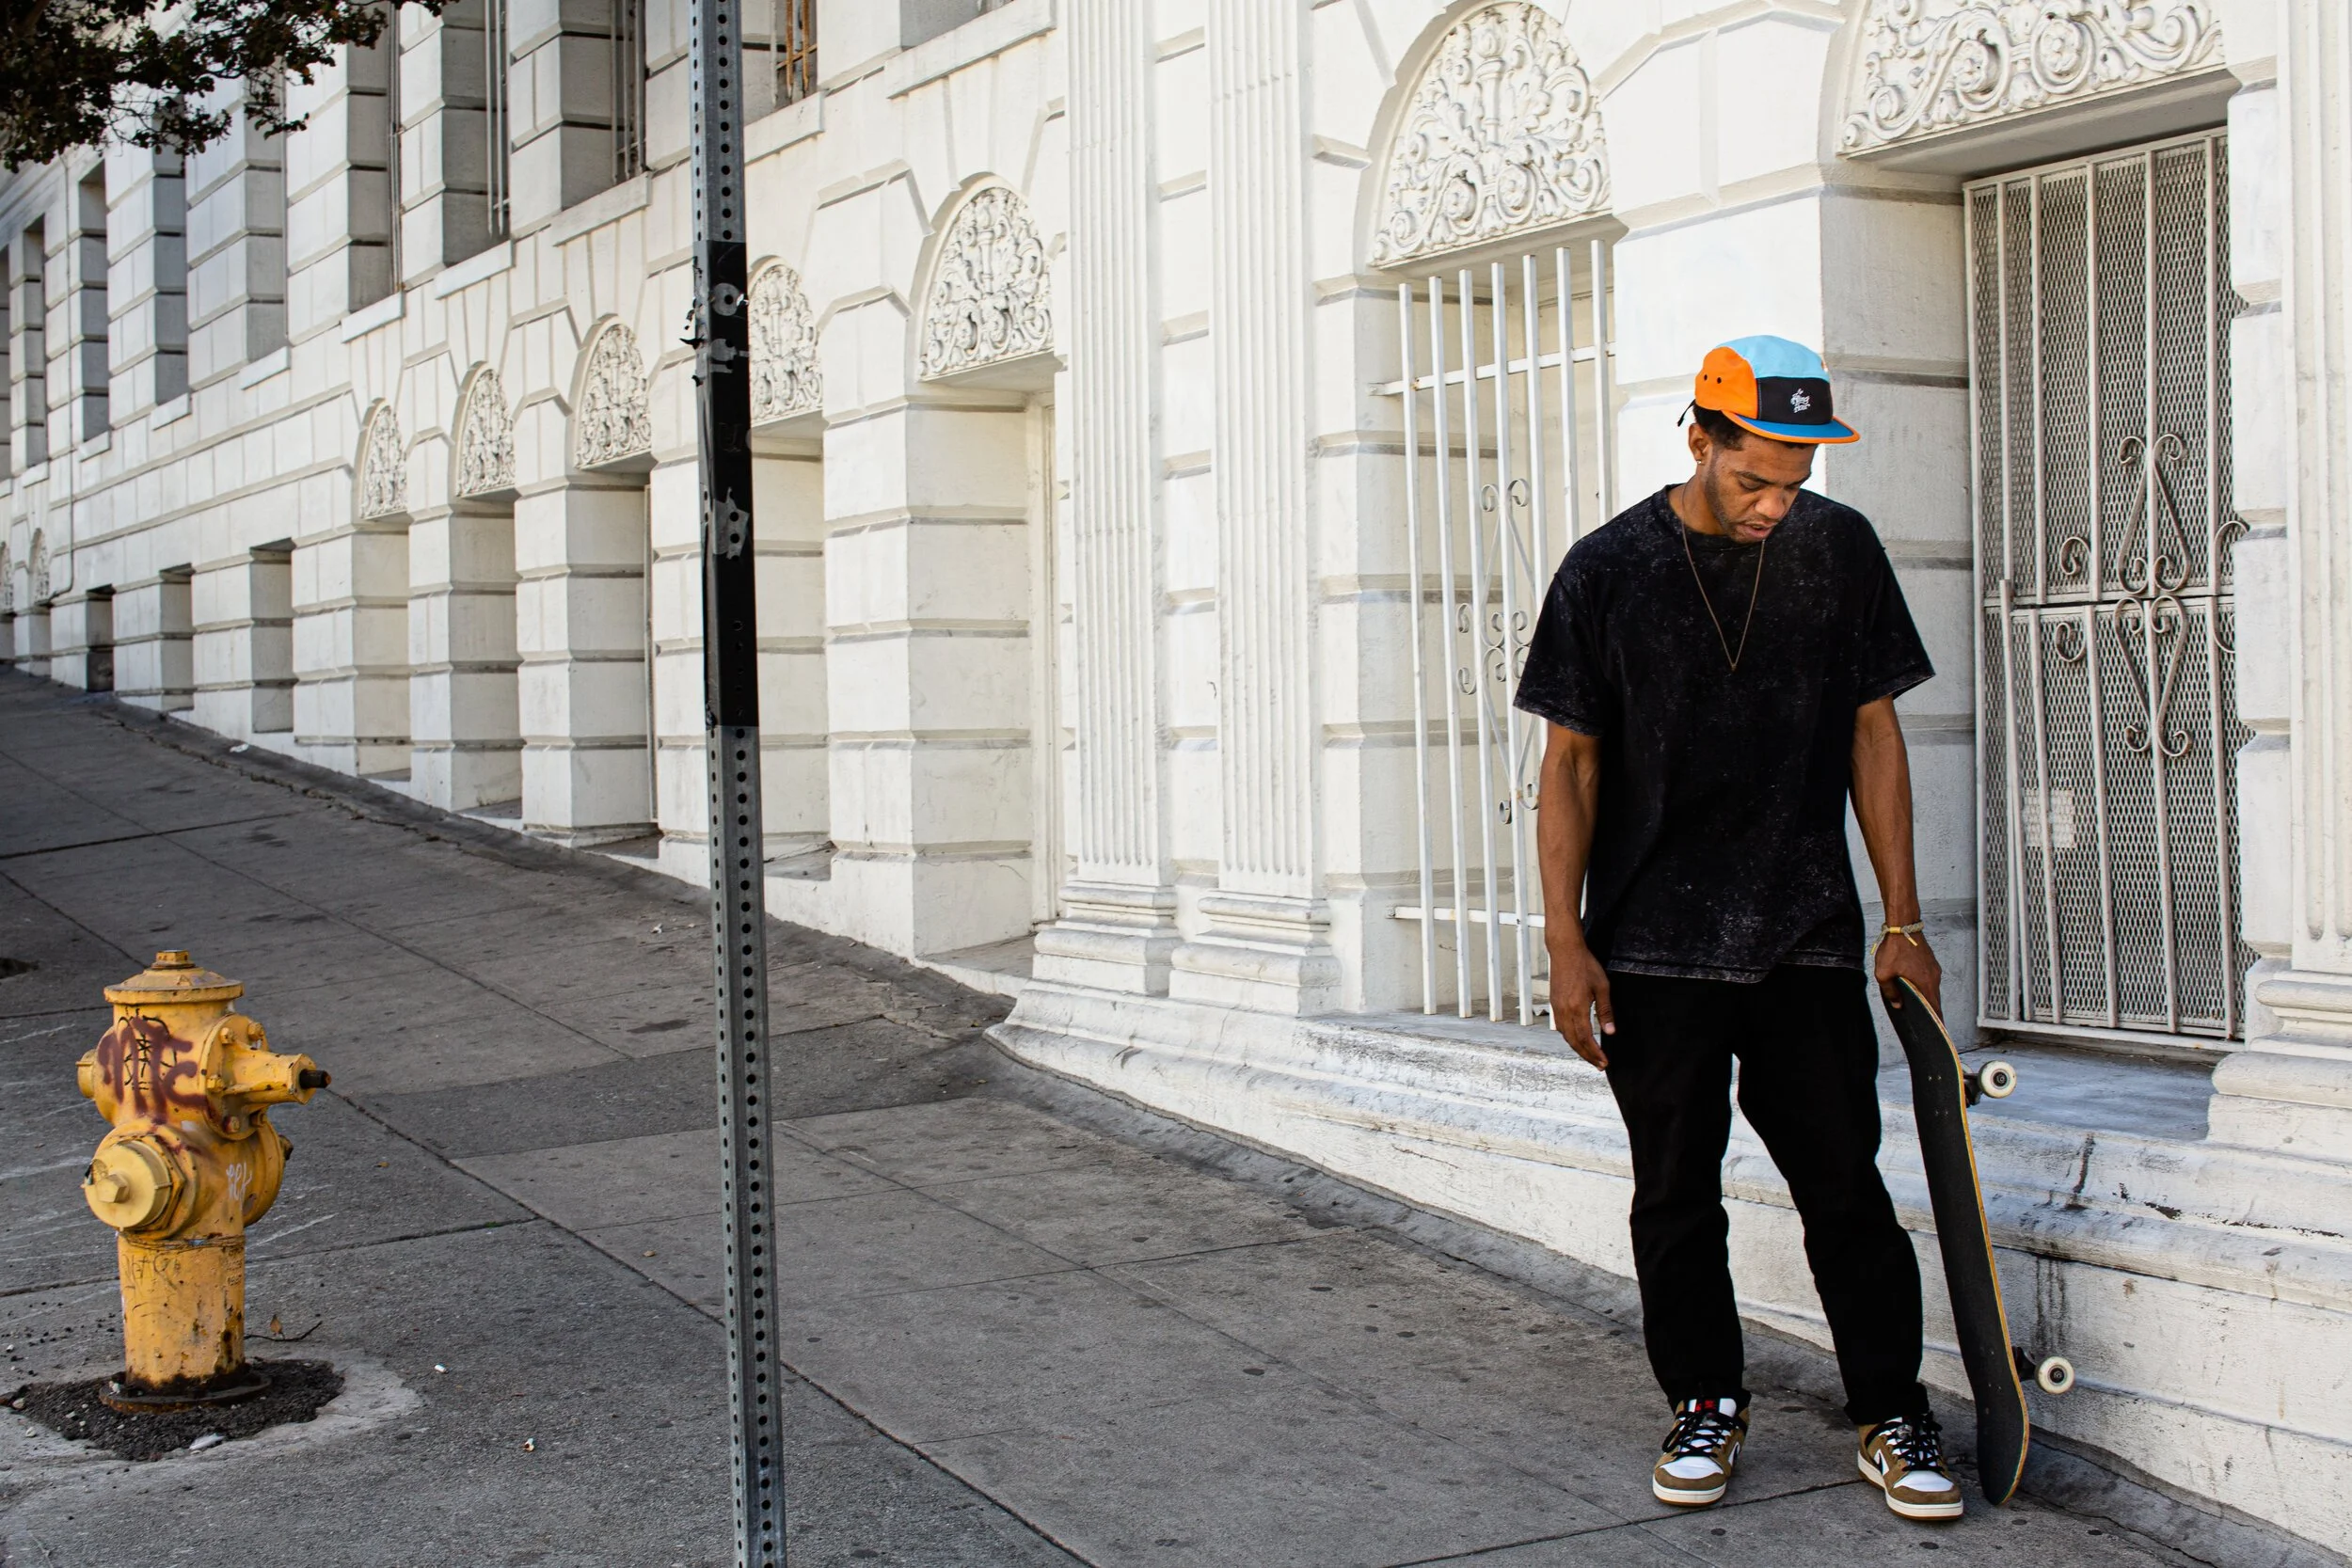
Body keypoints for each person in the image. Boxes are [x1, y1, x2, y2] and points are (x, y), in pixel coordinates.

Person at [1515, 336, 1961, 1522]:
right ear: (1699, 437)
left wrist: (1899, 916)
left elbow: (1874, 731)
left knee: (1844, 1184)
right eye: (1754, 476)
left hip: (1804, 928)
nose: (1776, 503)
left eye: (1794, 481)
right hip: (1653, 941)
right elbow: (1569, 764)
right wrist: (1566, 939)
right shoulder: (1606, 569)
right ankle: (1704, 1397)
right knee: (1674, 1188)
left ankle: (1891, 1409)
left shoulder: (1838, 549)